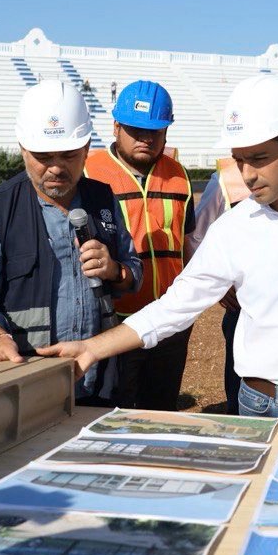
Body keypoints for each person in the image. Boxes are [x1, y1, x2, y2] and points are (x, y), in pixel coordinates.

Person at [38, 74, 278, 423]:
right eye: (239, 160)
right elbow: (173, 308)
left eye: (258, 158)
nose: (247, 174)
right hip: (265, 409)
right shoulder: (232, 230)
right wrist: (92, 348)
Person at [0, 80, 142, 405]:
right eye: (43, 156)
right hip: (28, 380)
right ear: (23, 148)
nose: (57, 167)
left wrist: (115, 270)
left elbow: (134, 273)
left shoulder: (103, 199)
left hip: (98, 379)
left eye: (70, 155)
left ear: (87, 147)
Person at [84, 80, 195, 411]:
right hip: (114, 319)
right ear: (116, 127)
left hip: (171, 318)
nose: (146, 138)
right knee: (115, 409)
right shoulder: (90, 171)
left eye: (156, 130)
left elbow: (185, 244)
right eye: (136, 129)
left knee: (162, 406)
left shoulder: (178, 174)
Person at [191, 155, 252, 414]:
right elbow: (197, 236)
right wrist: (219, 283)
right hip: (241, 303)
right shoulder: (225, 182)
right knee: (239, 369)